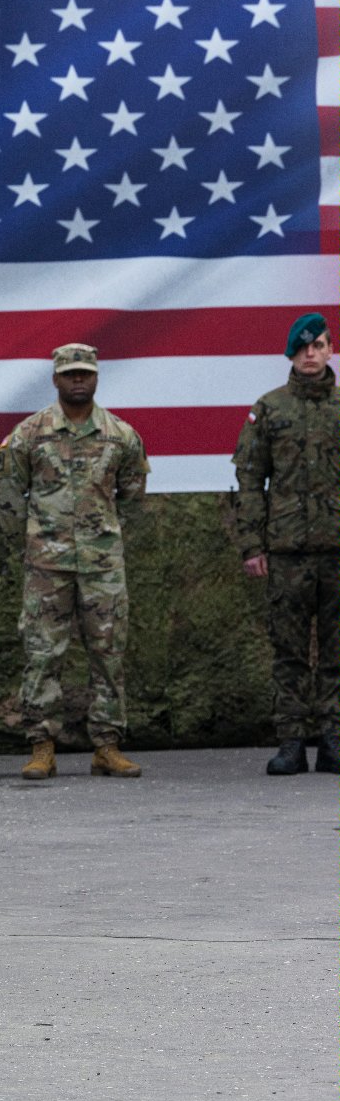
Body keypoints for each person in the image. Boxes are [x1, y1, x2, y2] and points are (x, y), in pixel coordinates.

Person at [0, 344, 149, 780]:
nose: (78, 380)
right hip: (47, 564)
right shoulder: (30, 433)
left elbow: (134, 497)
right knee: (42, 653)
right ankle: (42, 745)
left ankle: (107, 745)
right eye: (69, 373)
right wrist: (29, 540)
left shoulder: (120, 435)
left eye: (85, 373)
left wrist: (112, 540)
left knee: (109, 653)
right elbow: (8, 494)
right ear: (56, 379)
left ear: (96, 377)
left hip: (102, 566)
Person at [232, 313, 340, 776]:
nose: (310, 354)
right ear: (290, 355)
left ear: (330, 349)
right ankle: (292, 741)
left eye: (318, 345)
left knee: (339, 649)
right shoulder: (270, 408)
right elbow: (250, 480)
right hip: (287, 551)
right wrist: (252, 545)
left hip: (337, 549)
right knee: (289, 649)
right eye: (302, 348)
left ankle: (334, 738)